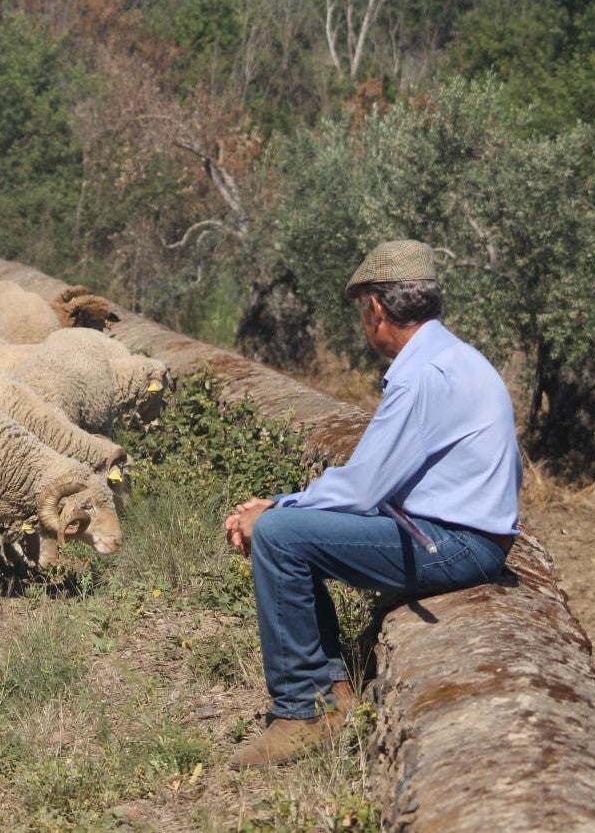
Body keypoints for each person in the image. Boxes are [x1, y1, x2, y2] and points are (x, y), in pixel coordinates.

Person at [222, 239, 521, 769]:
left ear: (376, 309)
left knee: (279, 535)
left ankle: (303, 711)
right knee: (288, 527)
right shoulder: (449, 357)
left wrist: (272, 511)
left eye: (363, 308)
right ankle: (331, 691)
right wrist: (283, 503)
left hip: (457, 545)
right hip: (458, 534)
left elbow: (362, 489)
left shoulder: (422, 374)